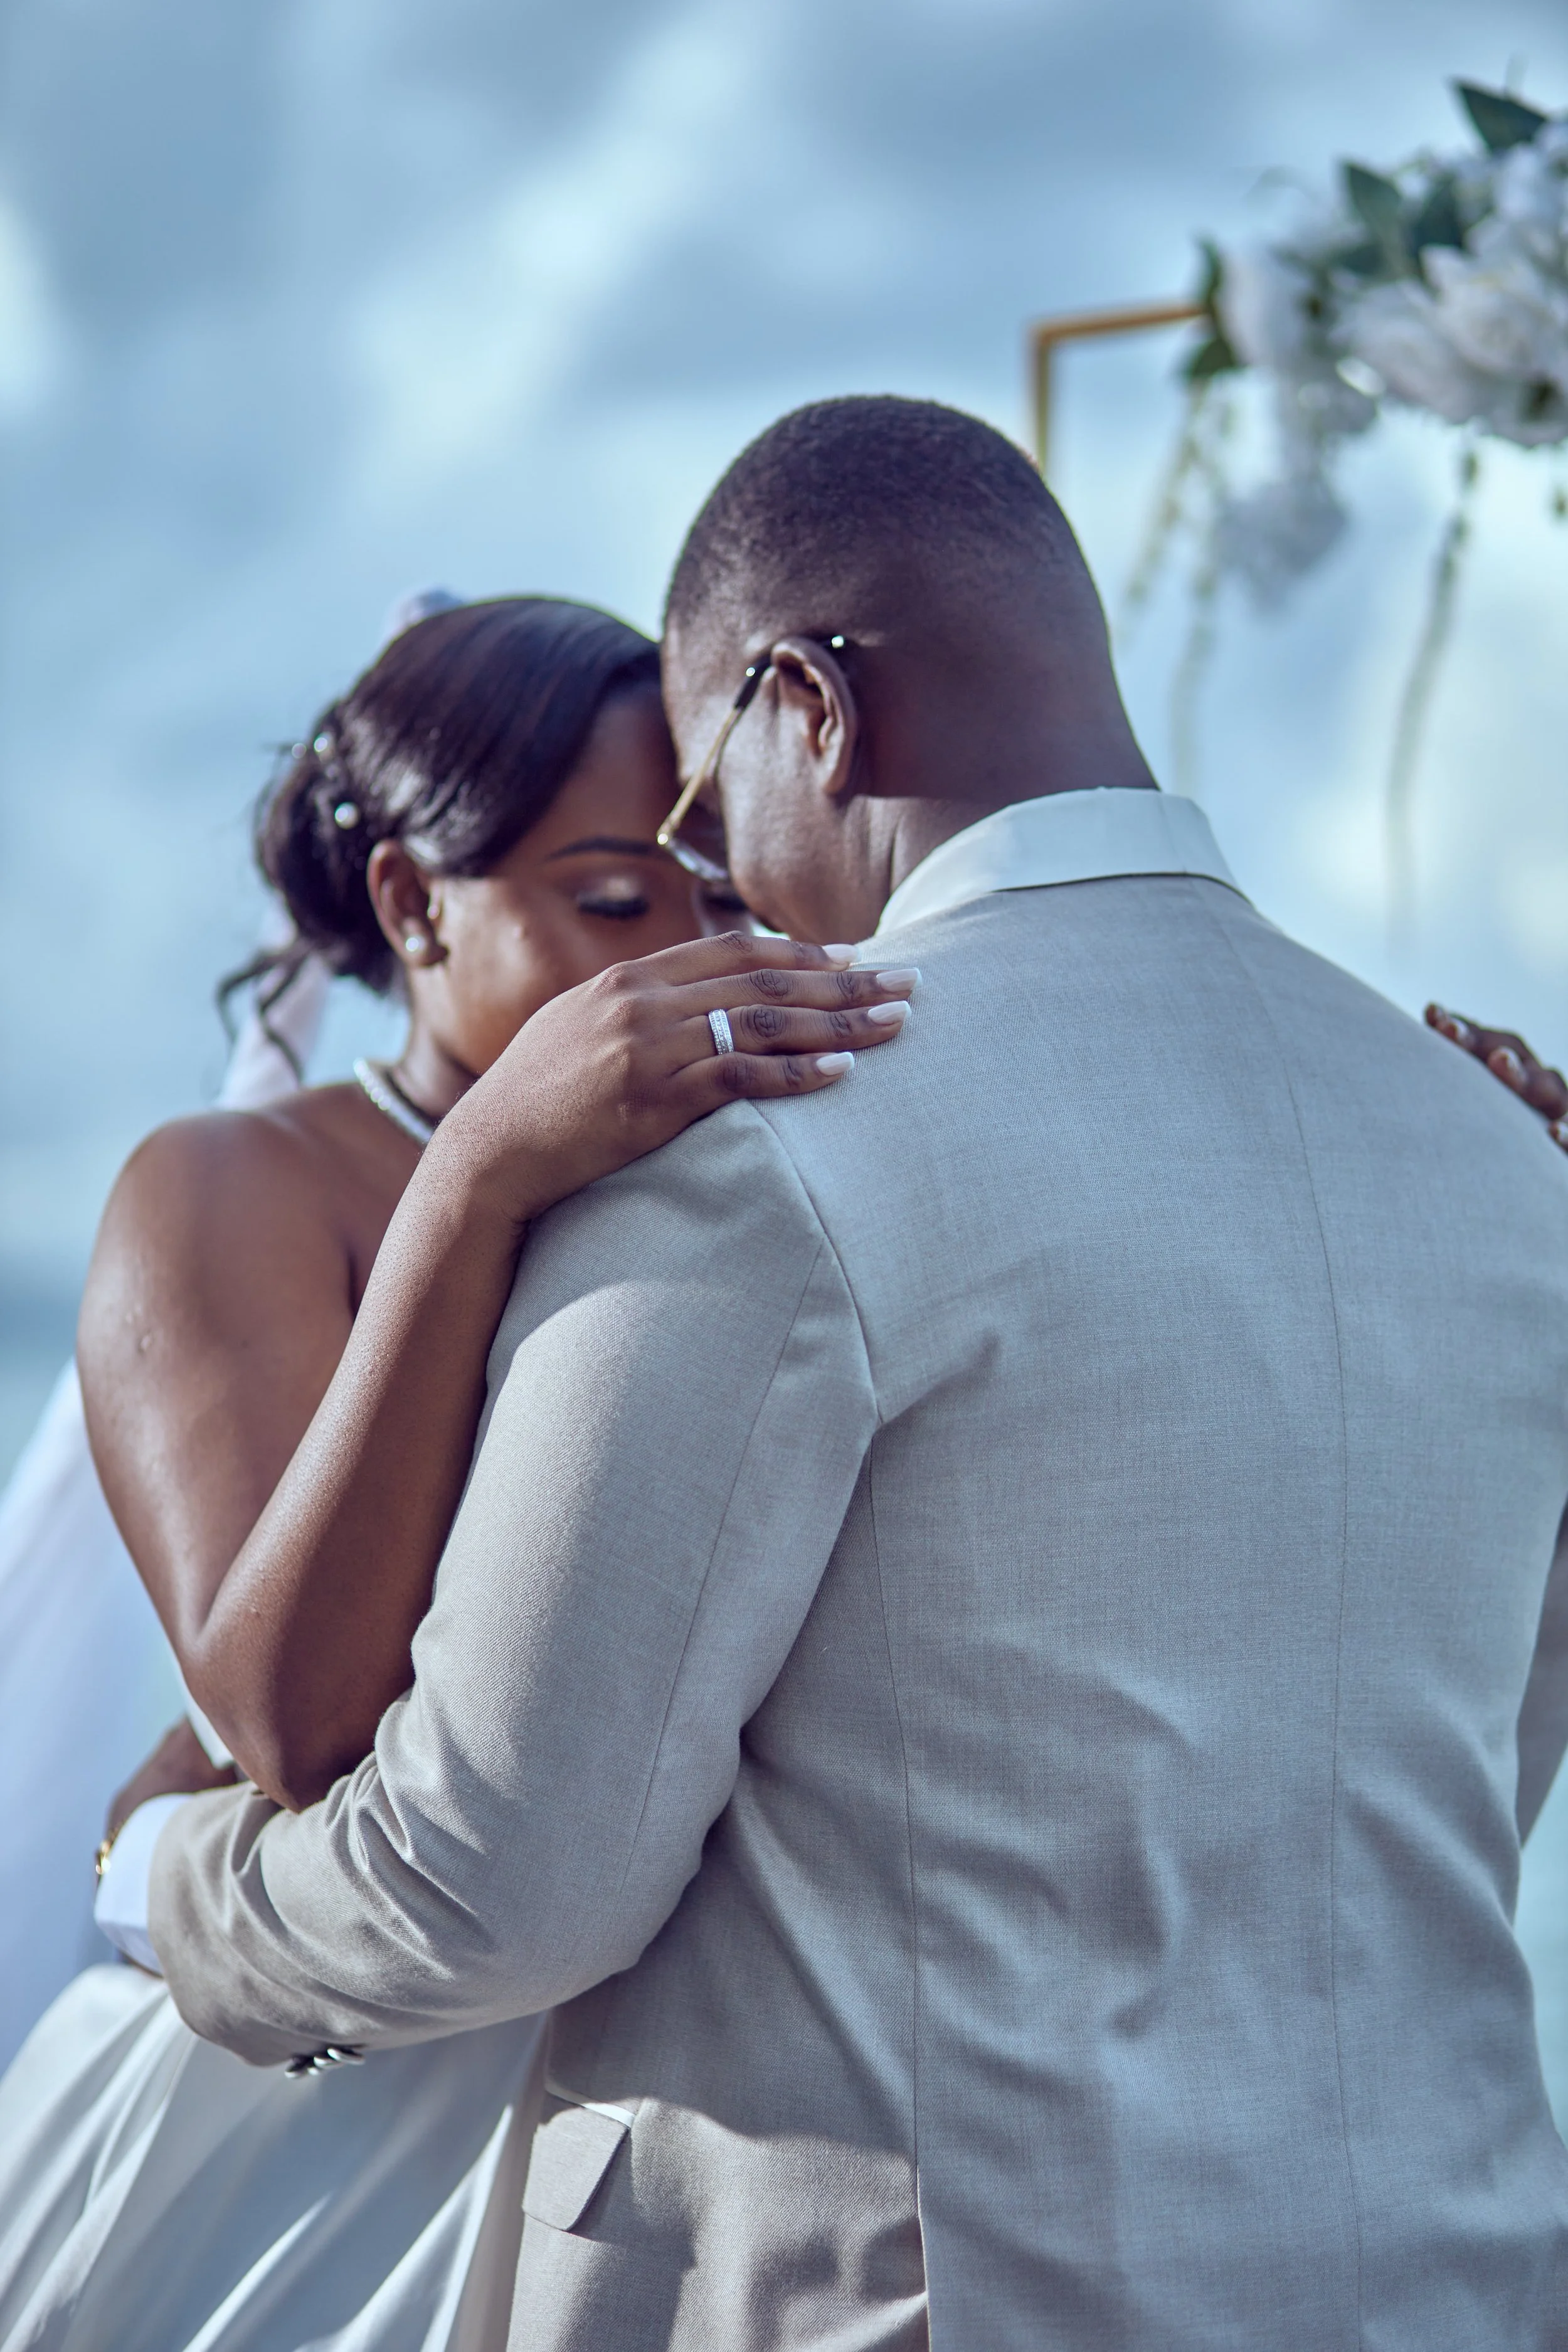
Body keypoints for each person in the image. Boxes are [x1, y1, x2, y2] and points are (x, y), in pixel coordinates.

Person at [129, 398, 1568, 2348]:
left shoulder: (764, 1138)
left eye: (710, 825)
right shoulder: (1499, 1155)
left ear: (812, 704)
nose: (728, 900)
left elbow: (495, 1886)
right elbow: (1460, 1792)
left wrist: (176, 1886)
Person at [0, 590, 914, 2352]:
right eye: (609, 898)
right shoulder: (230, 1186)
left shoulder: (764, 1172)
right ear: (415, 903)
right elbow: (293, 1714)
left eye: (719, 893)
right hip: (302, 2111)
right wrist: (483, 1169)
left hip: (676, 2117)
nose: (676, 952)